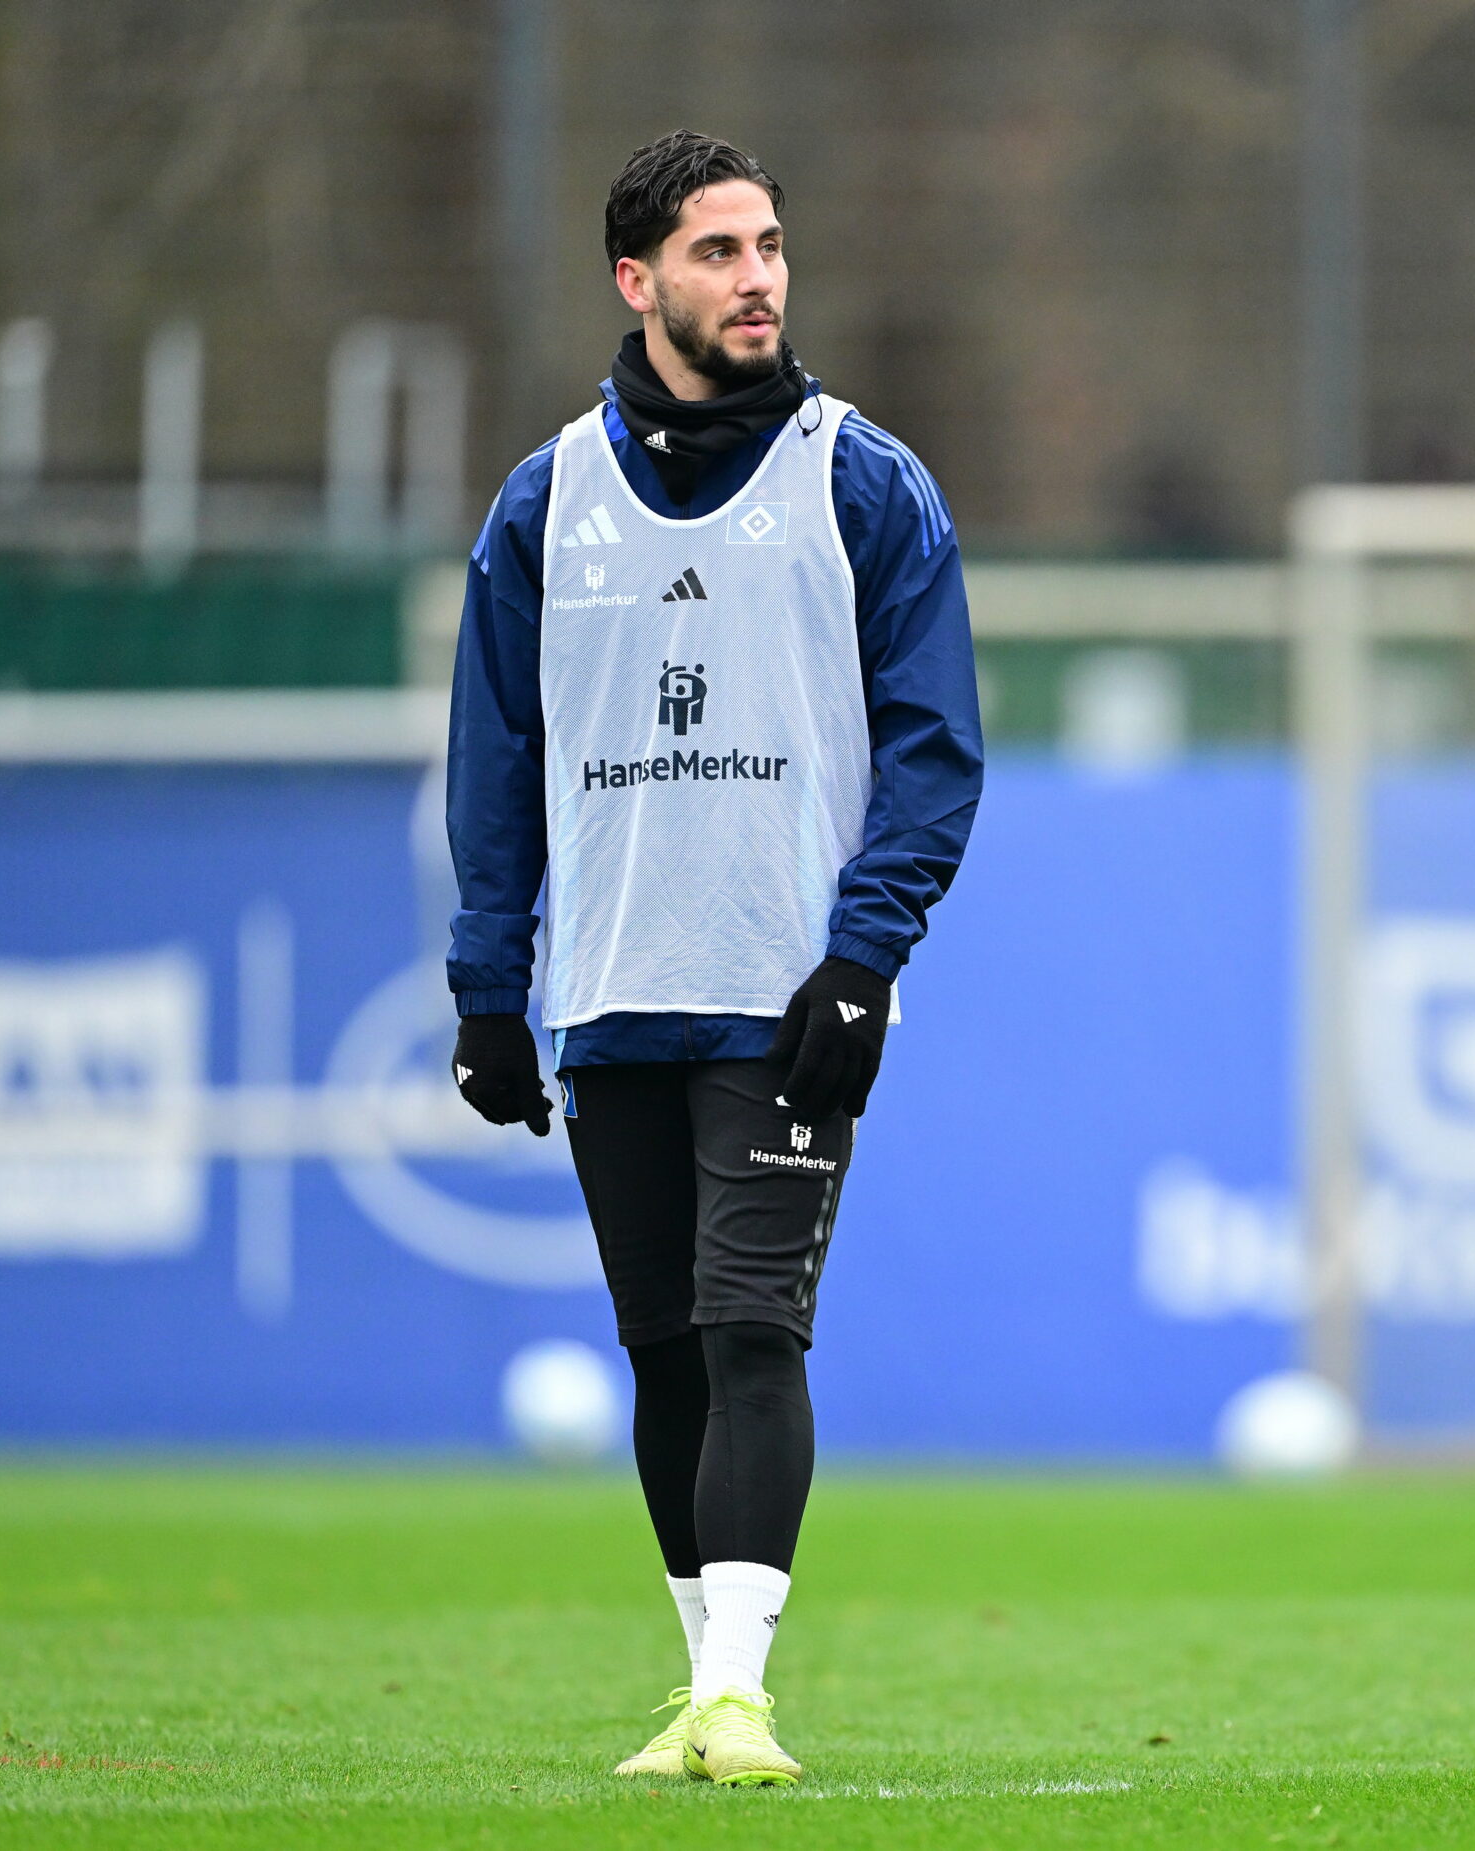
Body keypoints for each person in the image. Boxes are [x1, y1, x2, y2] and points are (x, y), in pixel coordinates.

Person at [443, 130, 982, 1788]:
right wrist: (486, 986)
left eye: (769, 248)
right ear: (638, 279)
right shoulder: (547, 503)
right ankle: (699, 1693)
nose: (759, 279)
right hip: (608, 993)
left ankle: (740, 1694)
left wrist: (863, 958)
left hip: (786, 994)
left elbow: (936, 746)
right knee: (663, 1346)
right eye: (719, 251)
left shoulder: (862, 480)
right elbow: (497, 757)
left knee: (755, 1329)